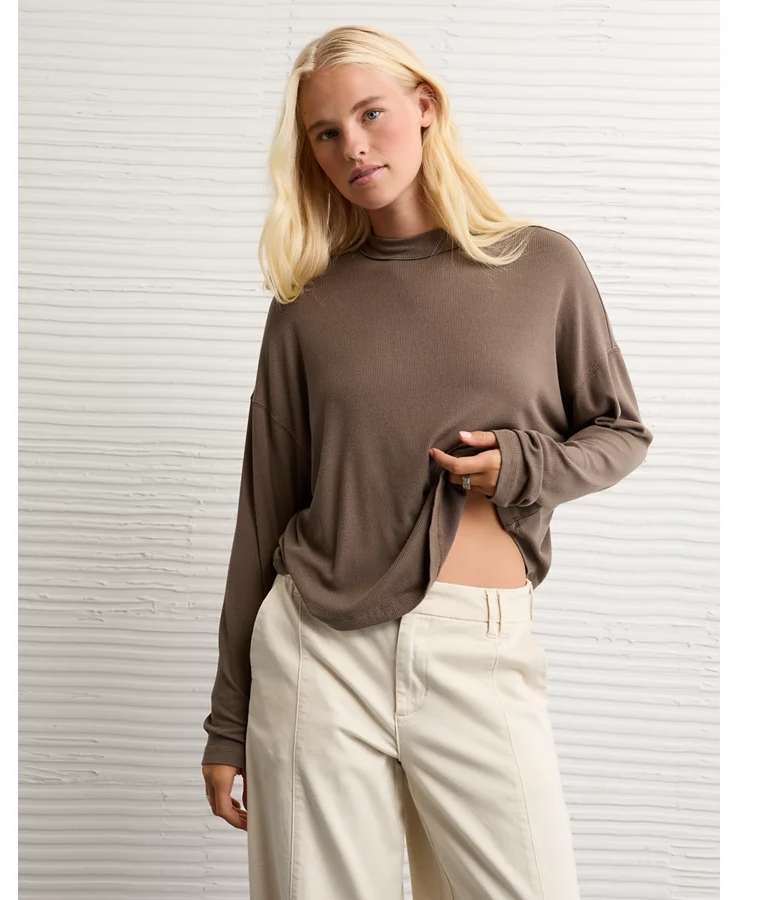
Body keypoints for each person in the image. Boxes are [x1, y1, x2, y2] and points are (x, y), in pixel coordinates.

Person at [201, 24, 654, 900]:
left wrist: (521, 466)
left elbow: (621, 431)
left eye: (370, 114)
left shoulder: (540, 266)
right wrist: (228, 720)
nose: (352, 146)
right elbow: (263, 511)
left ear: (424, 108)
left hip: (476, 643)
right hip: (315, 651)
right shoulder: (308, 303)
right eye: (326, 132)